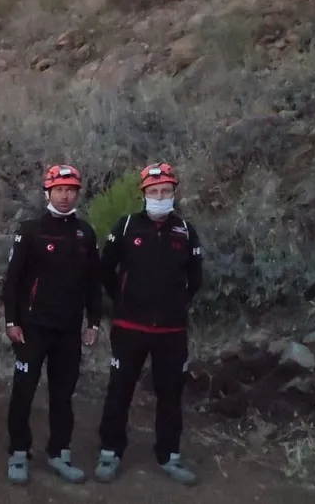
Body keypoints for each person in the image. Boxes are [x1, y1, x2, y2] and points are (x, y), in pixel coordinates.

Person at [94, 162, 203, 486]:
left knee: (170, 396)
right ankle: (110, 452)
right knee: (119, 391)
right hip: (130, 327)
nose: (160, 197)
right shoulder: (127, 226)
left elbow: (195, 278)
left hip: (171, 331)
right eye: (154, 192)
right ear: (144, 194)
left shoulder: (186, 231)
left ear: (174, 193)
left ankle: (169, 456)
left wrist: (176, 304)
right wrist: (122, 300)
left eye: (166, 191)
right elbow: (105, 268)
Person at [2, 164, 102, 485]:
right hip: (32, 328)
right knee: (24, 392)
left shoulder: (85, 232)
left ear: (77, 194)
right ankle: (19, 451)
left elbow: (93, 282)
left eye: (71, 190)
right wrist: (11, 320)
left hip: (68, 330)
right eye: (59, 190)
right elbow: (13, 280)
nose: (65, 196)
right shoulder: (31, 229)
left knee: (63, 395)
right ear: (48, 192)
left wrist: (94, 322)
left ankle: (60, 452)